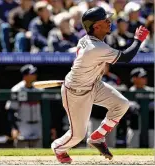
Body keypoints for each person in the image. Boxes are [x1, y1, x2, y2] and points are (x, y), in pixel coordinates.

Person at [51, 6, 149, 164]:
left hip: (93, 84)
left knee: (122, 104)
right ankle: (58, 147)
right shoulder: (95, 47)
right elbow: (125, 57)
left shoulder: (88, 40)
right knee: (77, 135)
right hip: (77, 93)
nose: (110, 22)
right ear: (96, 26)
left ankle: (98, 136)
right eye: (105, 20)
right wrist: (138, 40)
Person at [5, 64, 43, 148]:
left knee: (38, 151)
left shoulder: (39, 89)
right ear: (25, 76)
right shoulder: (17, 89)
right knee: (21, 150)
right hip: (22, 125)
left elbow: (46, 109)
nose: (35, 75)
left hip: (37, 124)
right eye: (32, 74)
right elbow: (11, 111)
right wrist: (14, 128)